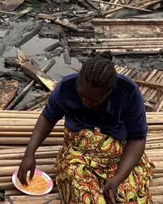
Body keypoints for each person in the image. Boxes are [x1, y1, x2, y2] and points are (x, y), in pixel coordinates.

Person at [17, 54, 153, 204]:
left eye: (94, 100)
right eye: (82, 95)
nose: (86, 101)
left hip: (118, 155)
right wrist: (30, 152)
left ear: (109, 92)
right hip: (78, 152)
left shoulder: (128, 92)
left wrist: (119, 176)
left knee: (128, 198)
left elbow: (138, 138)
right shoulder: (66, 87)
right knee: (86, 197)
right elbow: (47, 117)